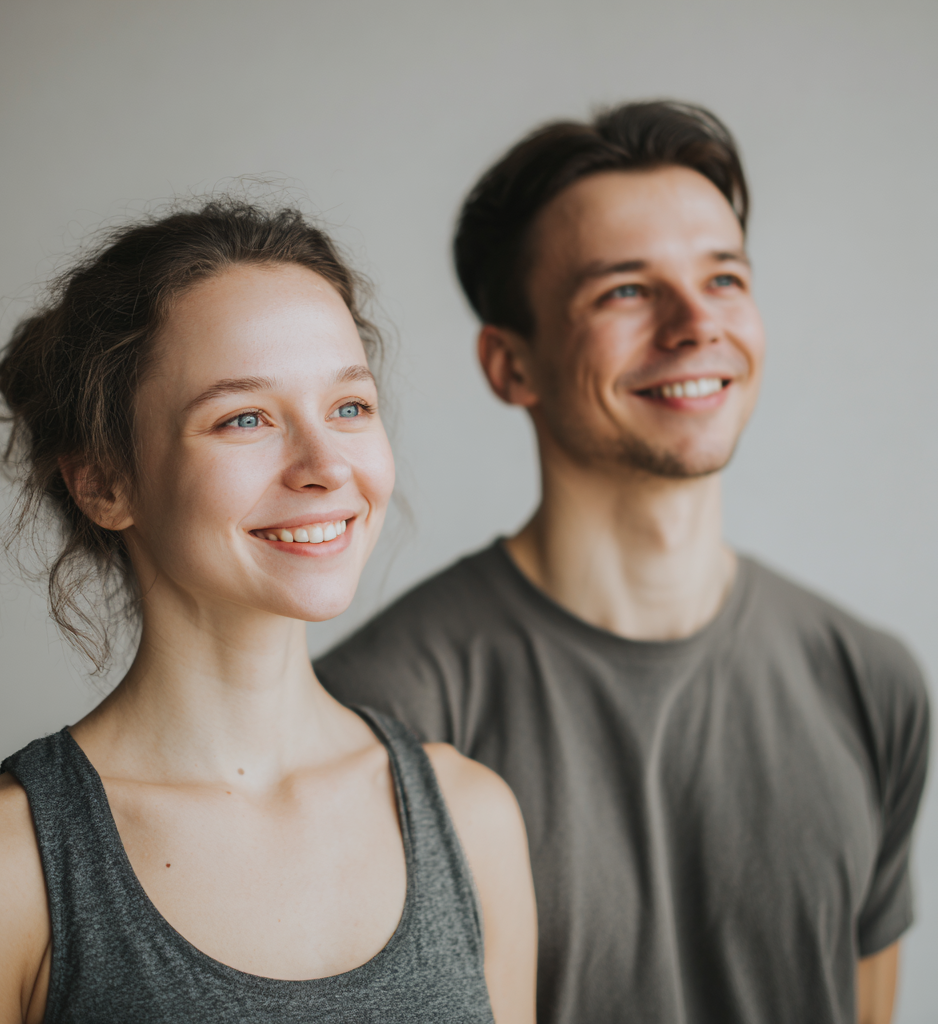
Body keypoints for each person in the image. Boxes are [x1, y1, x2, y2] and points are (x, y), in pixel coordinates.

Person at [315, 102, 930, 1024]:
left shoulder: (869, 681)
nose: (695, 326)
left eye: (724, 278)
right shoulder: (370, 719)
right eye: (626, 292)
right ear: (511, 366)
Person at [0, 199, 537, 1023]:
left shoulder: (472, 817)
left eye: (349, 407)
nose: (325, 466)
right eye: (245, 417)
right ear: (105, 482)